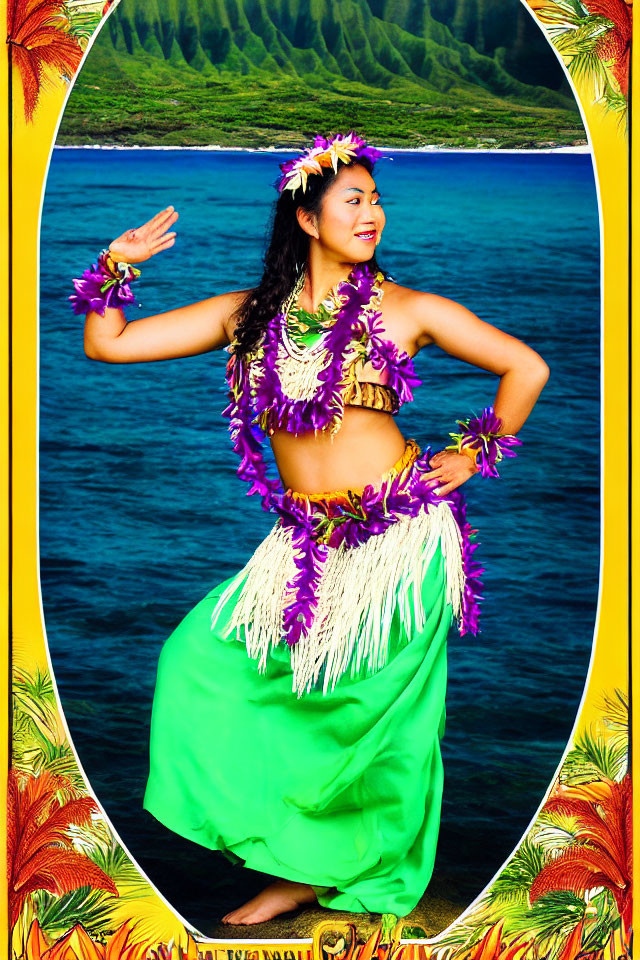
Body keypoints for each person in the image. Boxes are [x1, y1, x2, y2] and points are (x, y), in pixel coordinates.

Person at [71, 132, 549, 926]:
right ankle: (286, 853)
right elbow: (108, 344)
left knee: (370, 724)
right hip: (304, 547)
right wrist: (119, 265)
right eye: (353, 200)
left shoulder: (409, 310)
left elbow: (523, 367)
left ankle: (307, 878)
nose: (373, 213)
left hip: (400, 545)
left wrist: (474, 452)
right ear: (306, 216)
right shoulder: (246, 317)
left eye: (376, 199)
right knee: (197, 662)